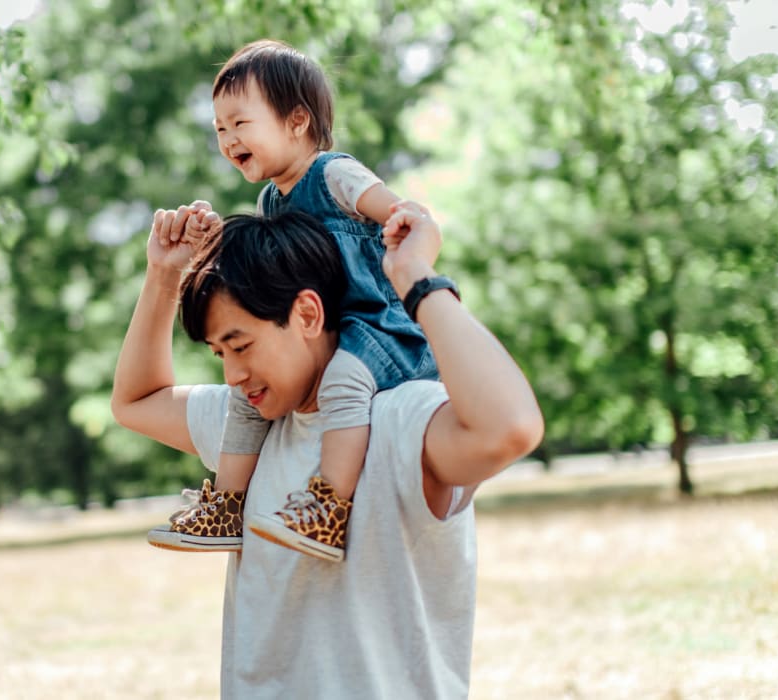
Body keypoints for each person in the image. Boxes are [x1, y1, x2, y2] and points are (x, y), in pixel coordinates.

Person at [111, 201, 543, 697]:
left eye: (242, 345)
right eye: (219, 354)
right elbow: (134, 400)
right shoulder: (247, 431)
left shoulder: (399, 420)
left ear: (308, 314)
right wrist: (164, 276)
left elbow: (511, 428)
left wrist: (415, 276)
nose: (232, 375)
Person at [146, 38, 445, 562]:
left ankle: (328, 507)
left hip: (375, 325)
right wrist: (207, 241)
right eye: (219, 128)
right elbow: (265, 276)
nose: (227, 138)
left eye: (240, 123)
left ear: (297, 121)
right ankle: (228, 505)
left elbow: (395, 209)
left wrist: (409, 228)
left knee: (345, 383)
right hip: (320, 328)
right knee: (244, 395)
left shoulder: (333, 174)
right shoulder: (269, 200)